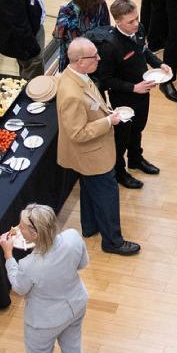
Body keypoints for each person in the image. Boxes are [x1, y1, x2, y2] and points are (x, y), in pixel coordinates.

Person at [0, 204, 88, 353]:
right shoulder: (72, 237)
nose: (18, 230)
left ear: (35, 234)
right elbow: (83, 264)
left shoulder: (29, 264)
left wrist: (8, 255)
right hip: (75, 305)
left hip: (43, 321)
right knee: (73, 348)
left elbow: (19, 288)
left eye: (22, 227)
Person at [56, 37, 141, 256]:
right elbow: (77, 132)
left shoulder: (77, 76)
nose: (99, 58)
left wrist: (107, 111)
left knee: (89, 188)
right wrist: (108, 121)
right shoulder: (72, 94)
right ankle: (112, 241)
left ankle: (90, 226)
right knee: (107, 195)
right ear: (79, 61)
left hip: (91, 153)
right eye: (94, 55)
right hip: (92, 155)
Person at [91, 0, 171, 189]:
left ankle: (136, 159)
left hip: (143, 92)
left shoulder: (140, 30)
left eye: (137, 18)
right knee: (121, 138)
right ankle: (120, 172)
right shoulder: (110, 46)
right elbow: (106, 79)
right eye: (130, 21)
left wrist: (160, 64)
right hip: (124, 98)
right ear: (117, 22)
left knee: (138, 129)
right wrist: (134, 88)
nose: (136, 24)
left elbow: (144, 51)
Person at [53, 0, 111, 71]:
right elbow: (106, 27)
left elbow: (57, 35)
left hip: (74, 59)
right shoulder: (101, 4)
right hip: (94, 55)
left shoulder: (67, 11)